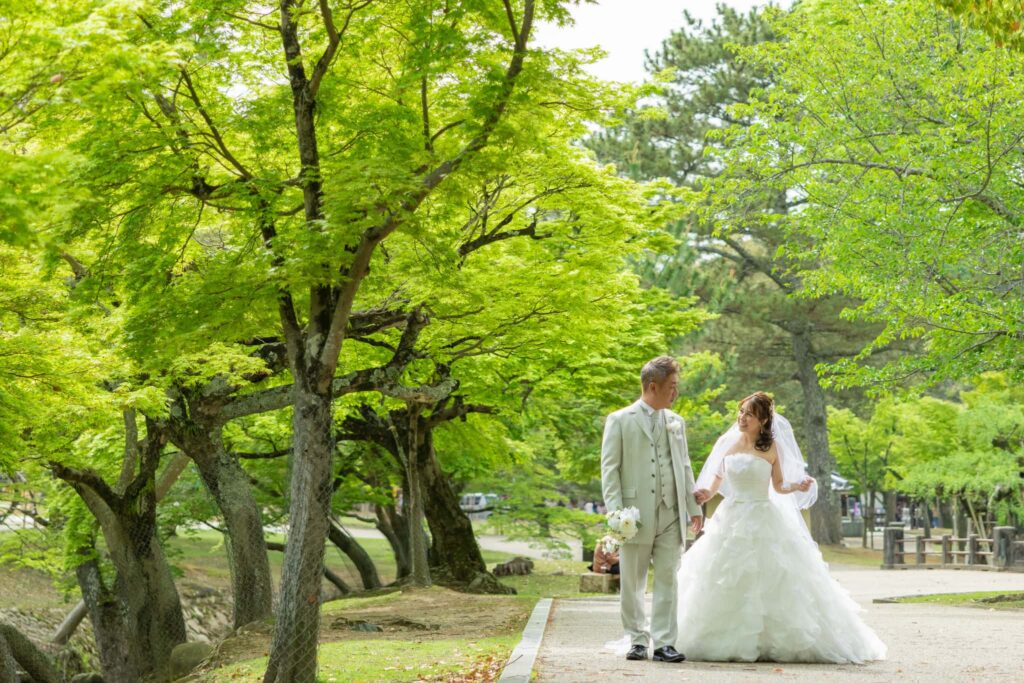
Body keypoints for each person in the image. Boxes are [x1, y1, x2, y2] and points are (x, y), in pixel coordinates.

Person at [676, 392, 886, 663]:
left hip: (762, 514)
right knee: (723, 573)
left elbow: (778, 485)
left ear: (762, 420)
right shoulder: (728, 443)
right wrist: (707, 492)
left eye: (748, 414)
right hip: (731, 516)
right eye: (741, 413)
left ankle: (770, 640)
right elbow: (717, 475)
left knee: (772, 574)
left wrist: (797, 486)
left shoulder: (772, 447)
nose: (742, 418)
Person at [601, 356, 703, 664]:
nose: (676, 393)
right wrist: (617, 515)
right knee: (632, 581)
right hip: (635, 515)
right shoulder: (619, 420)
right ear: (653, 386)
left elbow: (683, 465)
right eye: (672, 386)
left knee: (668, 578)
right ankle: (636, 639)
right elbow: (610, 470)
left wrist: (693, 506)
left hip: (670, 513)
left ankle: (664, 643)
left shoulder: (676, 422)